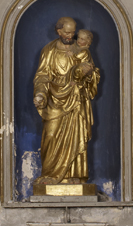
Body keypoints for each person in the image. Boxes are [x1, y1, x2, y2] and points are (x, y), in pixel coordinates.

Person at [33, 16, 100, 185]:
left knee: (76, 134)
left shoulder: (82, 50)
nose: (71, 36)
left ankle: (75, 176)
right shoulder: (49, 51)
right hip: (54, 101)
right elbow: (42, 76)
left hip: (77, 99)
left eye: (73, 33)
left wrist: (87, 74)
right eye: (67, 32)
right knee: (51, 134)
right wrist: (40, 94)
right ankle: (49, 174)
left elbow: (92, 73)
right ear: (59, 31)